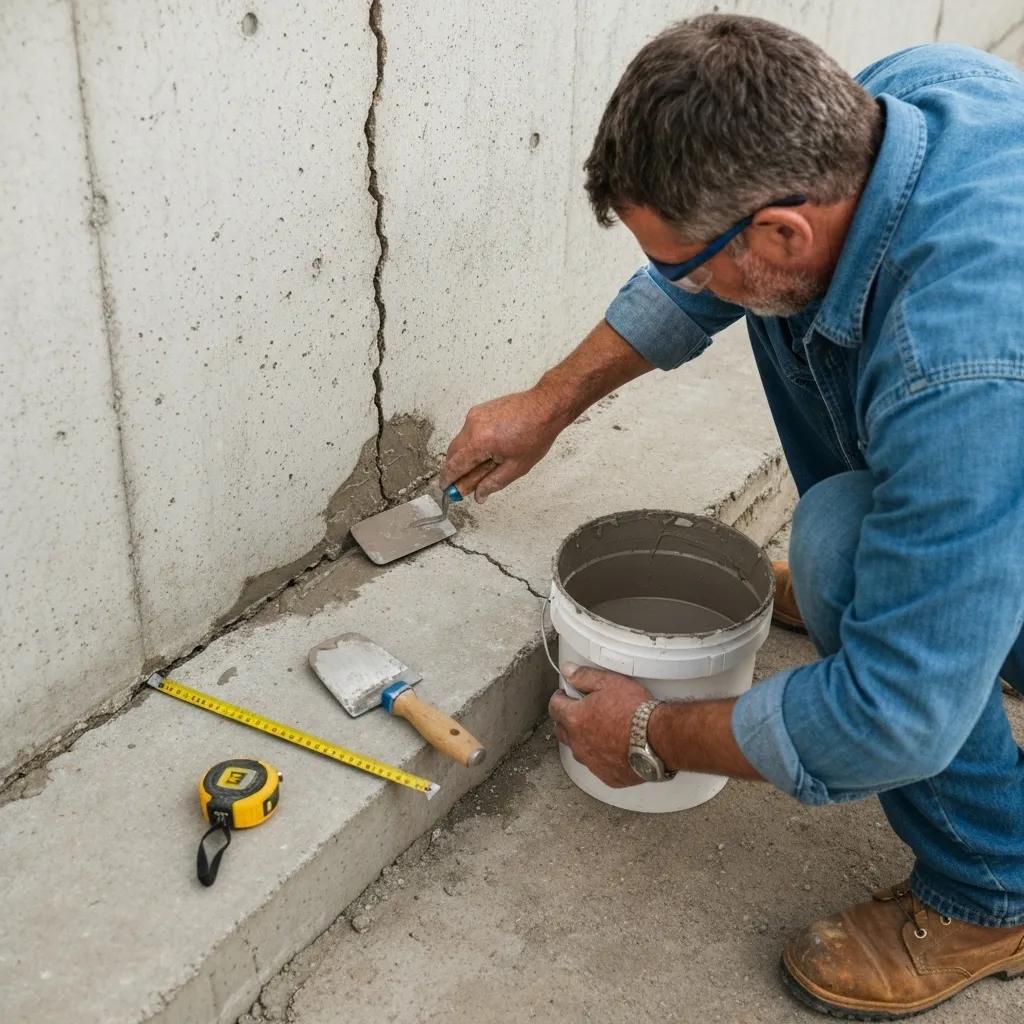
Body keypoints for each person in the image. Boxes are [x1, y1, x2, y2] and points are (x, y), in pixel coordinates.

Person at [441, 13, 1024, 1020]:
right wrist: (550, 402)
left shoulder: (958, 369)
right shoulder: (907, 101)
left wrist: (653, 732)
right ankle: (951, 604)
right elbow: (708, 284)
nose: (682, 284)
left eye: (685, 261)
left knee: (842, 551)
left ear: (783, 227)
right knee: (774, 304)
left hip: (990, 433)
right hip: (992, 459)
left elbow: (892, 719)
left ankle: (993, 889)